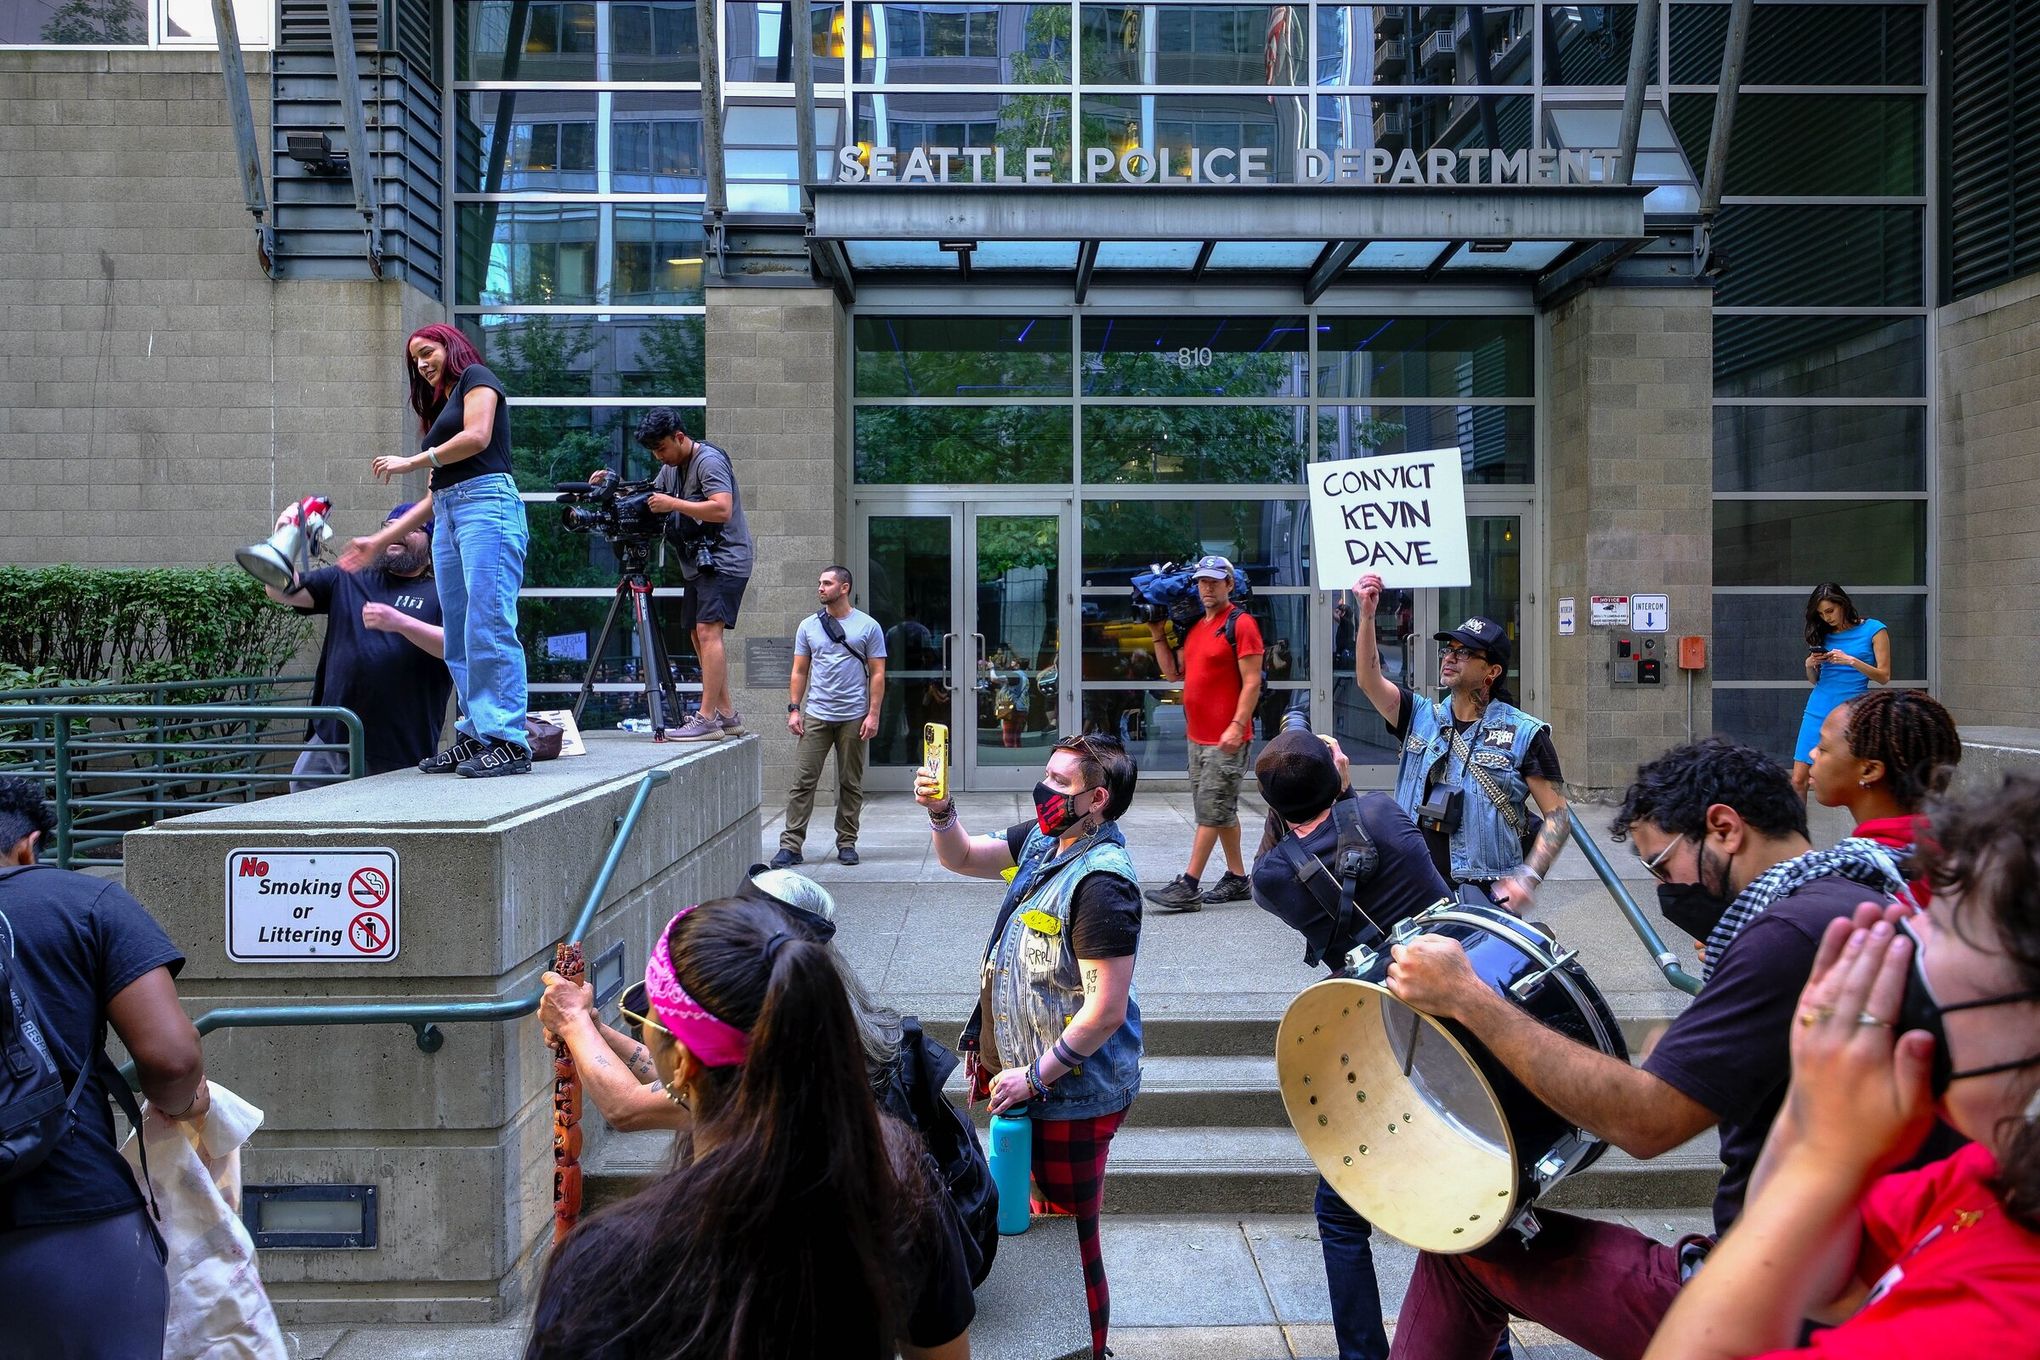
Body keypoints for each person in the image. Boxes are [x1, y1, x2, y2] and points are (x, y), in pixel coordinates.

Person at [1380, 738, 1959, 1360]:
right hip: (1822, 1265)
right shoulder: (1849, 897)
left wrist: (1468, 995)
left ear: (1724, 829)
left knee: (1466, 1258)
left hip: (1781, 1303)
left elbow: (1646, 1122)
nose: (1667, 888)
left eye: (1663, 867)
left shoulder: (1789, 935)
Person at [1642, 772, 2040, 1359]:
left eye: (1946, 922)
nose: (1903, 934)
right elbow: (1826, 1285)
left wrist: (1825, 1159)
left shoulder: (1998, 1319)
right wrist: (1812, 1098)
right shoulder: (1985, 1177)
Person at [526, 896, 972, 1360]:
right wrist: (593, 1030)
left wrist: (576, 1024)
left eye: (645, 1019)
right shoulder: (894, 1178)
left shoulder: (607, 1265)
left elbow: (628, 1104)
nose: (642, 1032)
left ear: (682, 1063)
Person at [1249, 727, 1498, 1360]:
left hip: (1378, 1034)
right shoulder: (1384, 814)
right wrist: (1339, 776)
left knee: (1340, 1216)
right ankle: (1491, 1349)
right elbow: (1355, 817)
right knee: (1462, 1191)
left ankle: (1363, 1354)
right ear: (1338, 778)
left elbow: (1279, 857)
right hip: (1461, 1012)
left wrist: (1296, 796)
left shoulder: (1273, 878)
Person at [915, 733, 1143, 1360]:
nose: (1044, 792)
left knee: (1069, 1237)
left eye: (1060, 784)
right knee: (1031, 1221)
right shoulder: (1046, 838)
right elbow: (961, 857)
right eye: (1046, 776)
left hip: (1069, 1094)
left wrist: (1035, 1078)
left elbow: (1104, 1012)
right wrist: (941, 811)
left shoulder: (1104, 885)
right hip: (1016, 1074)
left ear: (1097, 800)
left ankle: (1088, 1351)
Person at [0, 776, 209, 1356]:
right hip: (72, 1217)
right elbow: (170, 1058)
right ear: (28, 847)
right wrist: (189, 1106)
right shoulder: (84, 904)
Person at [344, 322, 530, 777]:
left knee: (488, 623)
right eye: (415, 360)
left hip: (488, 506)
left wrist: (411, 459)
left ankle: (508, 738)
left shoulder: (477, 379)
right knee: (462, 631)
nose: (422, 364)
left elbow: (478, 437)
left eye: (428, 352)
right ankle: (476, 734)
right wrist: (379, 541)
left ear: (450, 346)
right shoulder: (439, 406)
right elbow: (430, 499)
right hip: (448, 513)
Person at [1348, 572, 1569, 910]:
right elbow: (1368, 679)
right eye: (1448, 649)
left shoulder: (1525, 734)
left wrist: (1528, 877)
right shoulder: (1418, 716)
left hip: (1485, 893)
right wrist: (1366, 615)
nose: (1448, 657)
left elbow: (1558, 817)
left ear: (1491, 671)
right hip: (1414, 885)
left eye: (1463, 652)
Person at [265, 500, 450, 785]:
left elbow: (457, 648)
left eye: (411, 529)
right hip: (333, 737)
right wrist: (284, 536)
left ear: (431, 543)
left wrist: (400, 622)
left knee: (381, 826)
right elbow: (279, 591)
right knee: (304, 809)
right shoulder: (349, 577)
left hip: (399, 747)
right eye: (389, 527)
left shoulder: (443, 593)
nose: (396, 534)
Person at [625, 408, 753, 743]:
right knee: (699, 637)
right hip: (698, 564)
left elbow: (722, 508)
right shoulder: (671, 467)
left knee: (708, 633)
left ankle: (706, 718)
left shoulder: (708, 461)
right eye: (653, 451)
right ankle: (728, 716)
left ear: (679, 437)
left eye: (662, 448)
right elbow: (652, 497)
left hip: (724, 559)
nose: (658, 456)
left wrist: (674, 504)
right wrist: (613, 486)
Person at [1143, 555, 1263, 911]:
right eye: (1201, 582)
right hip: (1198, 738)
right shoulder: (1195, 628)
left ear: (1229, 584)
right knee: (1219, 808)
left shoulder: (1241, 625)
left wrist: (1237, 724)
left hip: (1227, 738)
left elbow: (1252, 681)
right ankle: (1239, 878)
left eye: (1214, 581)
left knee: (1210, 809)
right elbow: (1172, 675)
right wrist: (1156, 634)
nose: (1206, 588)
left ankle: (1189, 885)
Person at [775, 565, 887, 868]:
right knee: (802, 782)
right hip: (817, 715)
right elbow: (800, 670)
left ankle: (847, 843)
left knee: (851, 783)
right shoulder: (809, 625)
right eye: (820, 583)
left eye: (827, 583)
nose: (821, 588)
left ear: (844, 587)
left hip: (854, 715)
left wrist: (872, 714)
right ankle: (791, 846)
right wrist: (794, 709)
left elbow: (878, 674)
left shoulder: (868, 626)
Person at [1808, 688, 1962, 892]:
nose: (1812, 754)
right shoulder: (1956, 852)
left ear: (1870, 770)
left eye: (1823, 748)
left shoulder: (1852, 877)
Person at [1791, 583, 1891, 795]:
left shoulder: (1874, 630)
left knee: (1855, 779)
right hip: (1819, 706)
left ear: (1843, 604)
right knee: (1798, 779)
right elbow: (1815, 681)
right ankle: (1798, 829)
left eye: (1830, 611)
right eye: (1821, 614)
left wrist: (1851, 661)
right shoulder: (1824, 634)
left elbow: (1884, 676)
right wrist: (1809, 665)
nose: (1826, 618)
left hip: (1852, 711)